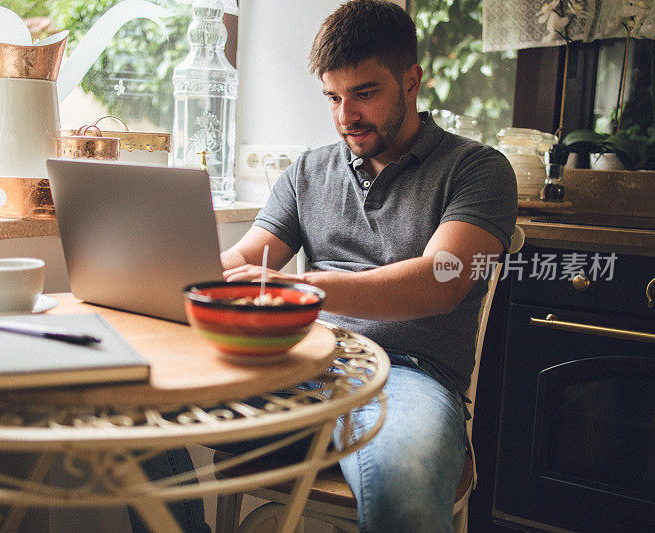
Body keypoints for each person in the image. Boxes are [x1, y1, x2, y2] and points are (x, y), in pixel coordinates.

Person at [221, 1, 517, 531]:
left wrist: (302, 287)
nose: (345, 116)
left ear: (411, 80)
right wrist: (183, 267)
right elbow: (248, 259)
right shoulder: (308, 171)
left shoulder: (477, 169)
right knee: (123, 417)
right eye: (332, 97)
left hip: (406, 376)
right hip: (298, 361)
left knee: (402, 486)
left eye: (364, 93)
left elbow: (440, 281)